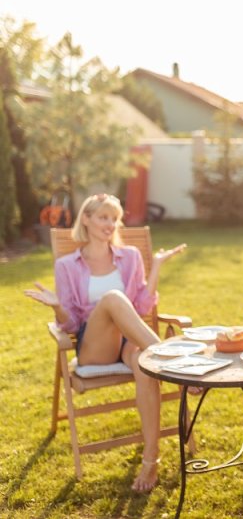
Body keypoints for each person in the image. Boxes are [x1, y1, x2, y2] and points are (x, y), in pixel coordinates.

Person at [24, 193, 186, 493]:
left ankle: (151, 461)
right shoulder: (67, 265)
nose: (110, 224)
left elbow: (139, 307)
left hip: (126, 341)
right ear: (85, 219)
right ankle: (176, 362)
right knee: (112, 298)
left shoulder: (131, 257)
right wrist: (57, 306)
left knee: (143, 363)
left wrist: (157, 267)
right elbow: (71, 324)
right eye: (103, 217)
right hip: (93, 346)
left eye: (114, 218)